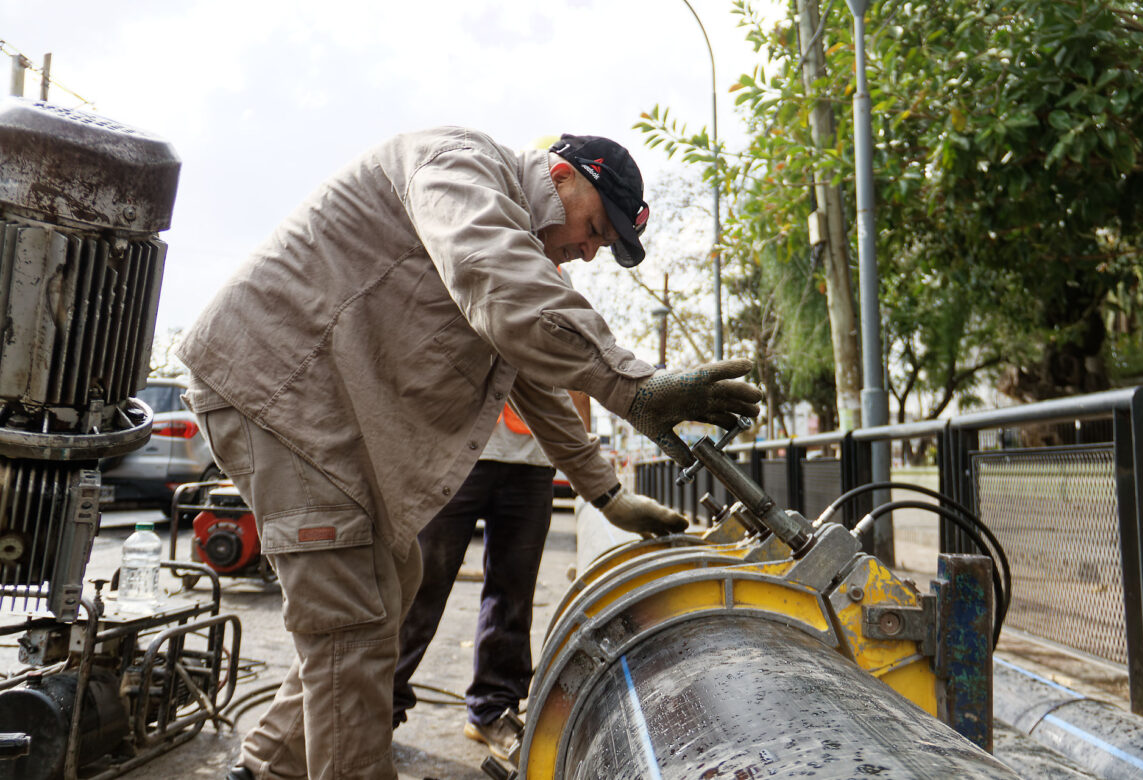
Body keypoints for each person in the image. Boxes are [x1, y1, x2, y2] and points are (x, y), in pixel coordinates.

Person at [177, 128, 762, 780]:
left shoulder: (515, 243)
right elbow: (497, 281)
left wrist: (608, 494)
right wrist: (633, 383)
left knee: (389, 590)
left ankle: (264, 767)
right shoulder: (462, 166)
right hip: (278, 394)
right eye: (596, 228)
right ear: (563, 176)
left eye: (603, 246)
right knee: (354, 626)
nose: (591, 251)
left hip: (319, 417)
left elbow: (537, 382)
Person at [391, 400, 561, 759]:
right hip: (451, 450)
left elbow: (575, 379)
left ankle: (493, 709)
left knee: (513, 596)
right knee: (416, 590)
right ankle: (375, 710)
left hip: (533, 459)